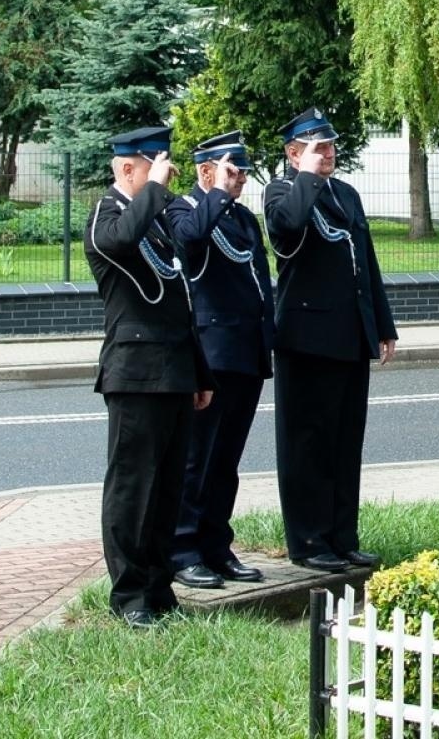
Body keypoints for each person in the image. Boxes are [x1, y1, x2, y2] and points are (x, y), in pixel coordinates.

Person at [84, 126, 214, 628]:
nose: (164, 175)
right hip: (135, 373)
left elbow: (181, 305)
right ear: (127, 168)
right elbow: (117, 242)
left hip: (176, 371)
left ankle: (160, 589)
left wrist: (201, 374)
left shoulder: (153, 222)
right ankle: (130, 594)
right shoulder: (107, 213)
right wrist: (156, 190)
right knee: (133, 487)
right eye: (152, 165)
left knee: (166, 490)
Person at [263, 107, 398, 573]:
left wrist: (382, 324)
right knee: (307, 445)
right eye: (318, 148)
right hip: (306, 339)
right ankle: (308, 541)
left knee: (344, 442)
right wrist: (305, 175)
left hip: (349, 336)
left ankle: (343, 537)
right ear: (293, 153)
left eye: (331, 146)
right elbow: (289, 227)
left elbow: (367, 263)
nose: (329, 155)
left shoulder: (347, 194)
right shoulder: (281, 192)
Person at [166, 131, 275, 589]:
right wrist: (215, 194)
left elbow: (259, 280)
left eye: (243, 172)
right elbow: (189, 244)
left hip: (247, 351)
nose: (240, 179)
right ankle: (184, 549)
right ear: (206, 171)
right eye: (232, 170)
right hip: (212, 353)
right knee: (197, 459)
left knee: (226, 459)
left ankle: (216, 544)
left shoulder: (243, 219)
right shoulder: (183, 209)